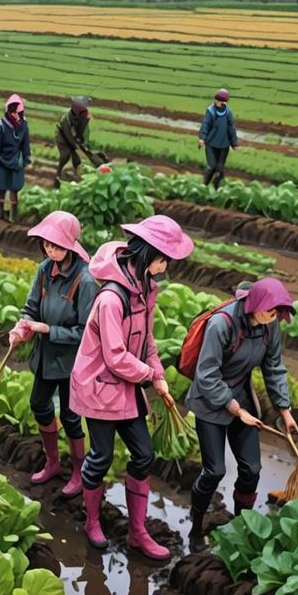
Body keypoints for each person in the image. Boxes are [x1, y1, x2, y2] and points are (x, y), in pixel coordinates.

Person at [70, 216, 195, 560]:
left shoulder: (146, 289)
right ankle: (92, 521)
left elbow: (147, 340)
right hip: (98, 387)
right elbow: (114, 357)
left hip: (126, 386)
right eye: (163, 258)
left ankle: (138, 532)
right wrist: (150, 377)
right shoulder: (111, 298)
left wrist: (159, 373)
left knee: (143, 455)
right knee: (102, 457)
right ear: (147, 255)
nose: (166, 266)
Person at [186, 277, 296, 541]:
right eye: (272, 312)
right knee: (214, 471)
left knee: (252, 470)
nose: (275, 318)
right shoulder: (221, 324)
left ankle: (241, 527)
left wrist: (285, 410)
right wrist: (236, 410)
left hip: (242, 399)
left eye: (279, 314)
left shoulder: (270, 328)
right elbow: (207, 374)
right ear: (256, 303)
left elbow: (274, 367)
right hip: (210, 402)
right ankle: (196, 529)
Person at [12, 212, 95, 495]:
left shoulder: (84, 280)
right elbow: (30, 307)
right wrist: (22, 327)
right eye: (47, 244)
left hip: (71, 363)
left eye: (57, 245)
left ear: (70, 245)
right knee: (39, 404)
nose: (51, 249)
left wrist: (48, 329)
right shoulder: (45, 269)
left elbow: (86, 332)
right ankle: (52, 463)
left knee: (72, 417)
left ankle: (79, 472)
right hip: (45, 358)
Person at [0, 93, 32, 221]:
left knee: (15, 188)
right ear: (8, 111)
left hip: (16, 161)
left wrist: (26, 158)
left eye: (18, 113)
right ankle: (0, 214)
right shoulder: (1, 126)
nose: (15, 115)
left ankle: (13, 216)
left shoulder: (24, 125)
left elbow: (25, 144)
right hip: (2, 160)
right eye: (13, 112)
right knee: (1, 188)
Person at [198, 88, 238, 188]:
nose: (217, 102)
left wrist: (234, 143)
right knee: (212, 166)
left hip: (224, 144)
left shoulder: (228, 112)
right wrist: (202, 138)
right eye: (216, 99)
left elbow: (231, 127)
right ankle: (204, 185)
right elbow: (205, 124)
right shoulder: (211, 111)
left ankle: (217, 187)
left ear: (225, 102)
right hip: (211, 143)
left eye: (220, 101)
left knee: (220, 168)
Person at [53, 98, 97, 186]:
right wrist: (76, 147)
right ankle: (57, 179)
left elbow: (83, 131)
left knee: (77, 158)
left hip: (74, 135)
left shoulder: (84, 115)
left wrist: (82, 143)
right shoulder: (65, 119)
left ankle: (80, 179)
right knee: (65, 155)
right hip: (62, 136)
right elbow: (67, 135)